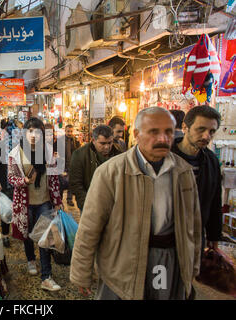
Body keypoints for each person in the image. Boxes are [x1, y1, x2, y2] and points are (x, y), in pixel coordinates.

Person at [70, 107, 202, 300]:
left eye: (168, 132)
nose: (163, 139)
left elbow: (194, 225)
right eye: (154, 132)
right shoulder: (111, 172)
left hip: (164, 263)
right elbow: (90, 227)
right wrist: (82, 273)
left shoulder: (183, 172)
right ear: (137, 134)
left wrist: (193, 265)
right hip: (123, 265)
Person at [8, 117, 63, 291]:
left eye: (38, 132)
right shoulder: (15, 153)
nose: (34, 135)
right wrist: (23, 180)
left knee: (45, 236)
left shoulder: (48, 152)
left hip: (44, 201)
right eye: (30, 131)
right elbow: (11, 178)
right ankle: (31, 259)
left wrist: (57, 201)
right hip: (24, 203)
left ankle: (46, 276)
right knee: (28, 233)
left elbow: (54, 179)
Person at [171, 105, 222, 257]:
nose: (206, 136)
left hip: (196, 239)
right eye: (201, 129)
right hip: (165, 240)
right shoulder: (166, 157)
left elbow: (214, 201)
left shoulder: (211, 161)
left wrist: (214, 236)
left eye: (211, 132)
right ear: (185, 127)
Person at [69, 125, 121, 212]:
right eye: (102, 143)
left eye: (110, 143)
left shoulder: (119, 154)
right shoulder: (80, 155)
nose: (107, 147)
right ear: (93, 140)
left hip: (114, 207)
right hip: (90, 207)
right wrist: (88, 204)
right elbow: (76, 184)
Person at [0, 125, 14, 248]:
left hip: (16, 185)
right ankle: (5, 235)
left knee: (16, 209)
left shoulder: (18, 147)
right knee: (5, 211)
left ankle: (16, 231)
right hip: (4, 184)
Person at [62, 124, 80, 206]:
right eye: (68, 131)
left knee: (71, 183)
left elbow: (78, 151)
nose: (69, 133)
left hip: (72, 165)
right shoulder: (60, 140)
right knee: (62, 183)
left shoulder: (75, 141)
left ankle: (69, 199)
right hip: (63, 165)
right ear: (65, 131)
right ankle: (60, 200)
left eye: (71, 131)